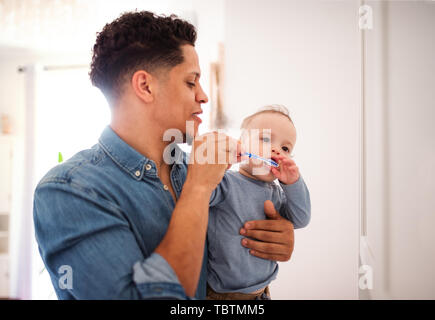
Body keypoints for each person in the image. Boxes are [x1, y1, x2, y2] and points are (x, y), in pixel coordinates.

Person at [33, 11, 295, 300]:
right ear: (145, 86)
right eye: (191, 82)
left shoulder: (199, 170)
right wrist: (196, 188)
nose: (204, 96)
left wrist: (270, 243)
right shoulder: (68, 191)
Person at [206, 105, 311, 300]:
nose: (276, 149)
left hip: (263, 293)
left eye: (285, 148)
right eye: (265, 138)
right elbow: (201, 193)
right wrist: (217, 161)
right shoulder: (227, 182)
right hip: (221, 296)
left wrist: (293, 182)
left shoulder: (278, 194)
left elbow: (301, 219)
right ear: (241, 145)